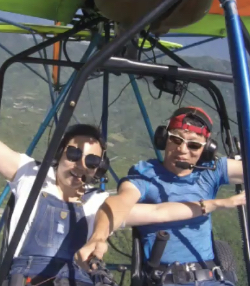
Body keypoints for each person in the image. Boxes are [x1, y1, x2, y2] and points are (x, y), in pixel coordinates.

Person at [0, 58, 244, 286]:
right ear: (59, 155)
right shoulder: (29, 175)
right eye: (73, 153)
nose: (79, 164)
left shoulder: (97, 203)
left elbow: (160, 211)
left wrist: (217, 204)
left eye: (92, 162)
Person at [76, 106, 245, 286]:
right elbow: (119, 201)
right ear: (164, 139)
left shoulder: (211, 171)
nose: (182, 149)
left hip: (214, 280)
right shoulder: (147, 175)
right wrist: (98, 237)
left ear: (206, 149)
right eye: (175, 139)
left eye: (193, 145)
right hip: (166, 279)